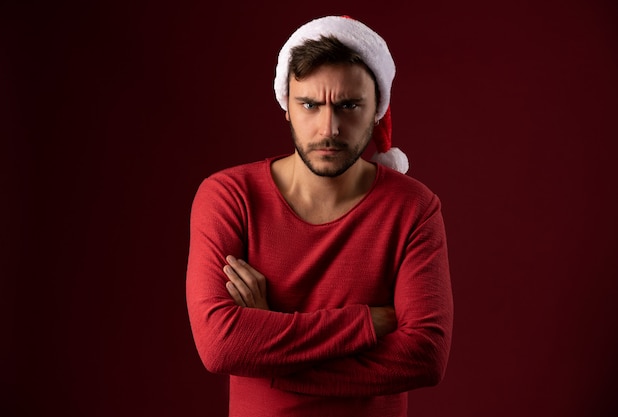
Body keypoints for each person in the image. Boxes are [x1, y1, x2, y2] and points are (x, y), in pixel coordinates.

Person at [186, 15, 453, 417]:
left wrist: (271, 349)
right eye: (310, 104)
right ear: (287, 108)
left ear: (377, 110)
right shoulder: (229, 197)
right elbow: (221, 345)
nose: (328, 128)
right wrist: (366, 324)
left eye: (348, 105)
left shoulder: (413, 207)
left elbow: (425, 355)